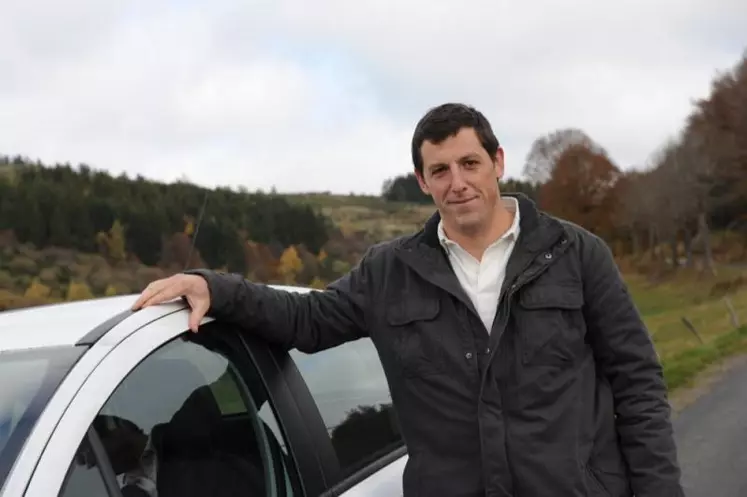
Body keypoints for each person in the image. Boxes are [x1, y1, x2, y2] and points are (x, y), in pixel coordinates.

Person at [132, 103, 684, 497]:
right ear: (422, 181)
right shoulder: (390, 271)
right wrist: (214, 287)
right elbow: (308, 319)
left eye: (469, 164)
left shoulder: (576, 253)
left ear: (498, 162)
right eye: (439, 170)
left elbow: (638, 383)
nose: (457, 182)